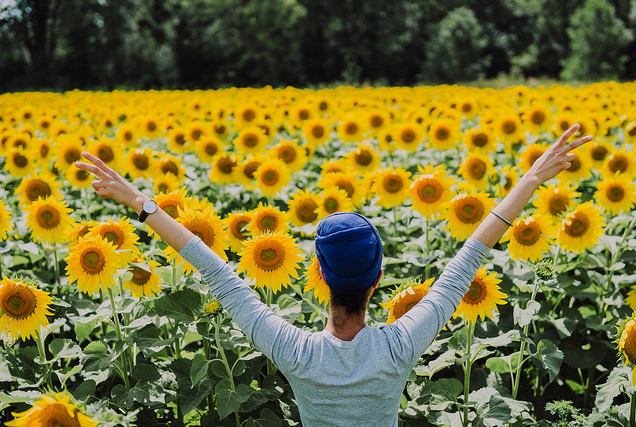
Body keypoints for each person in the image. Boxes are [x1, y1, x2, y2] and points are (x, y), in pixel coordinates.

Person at [75, 124, 591, 426]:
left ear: (318, 274)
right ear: (379, 277)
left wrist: (142, 203)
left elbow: (214, 269)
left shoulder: (295, 352)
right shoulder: (399, 347)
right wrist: (528, 179)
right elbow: (468, 260)